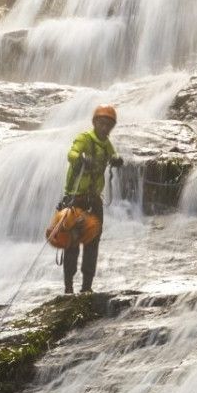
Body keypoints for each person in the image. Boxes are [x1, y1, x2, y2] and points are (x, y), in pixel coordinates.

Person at [59, 105, 122, 295]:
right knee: (72, 244)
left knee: (92, 244)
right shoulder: (84, 138)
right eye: (102, 123)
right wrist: (79, 159)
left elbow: (113, 154)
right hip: (76, 199)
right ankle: (69, 288)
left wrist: (117, 160)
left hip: (94, 201)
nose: (105, 128)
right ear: (95, 123)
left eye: (109, 125)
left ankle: (87, 286)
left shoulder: (106, 144)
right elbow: (72, 153)